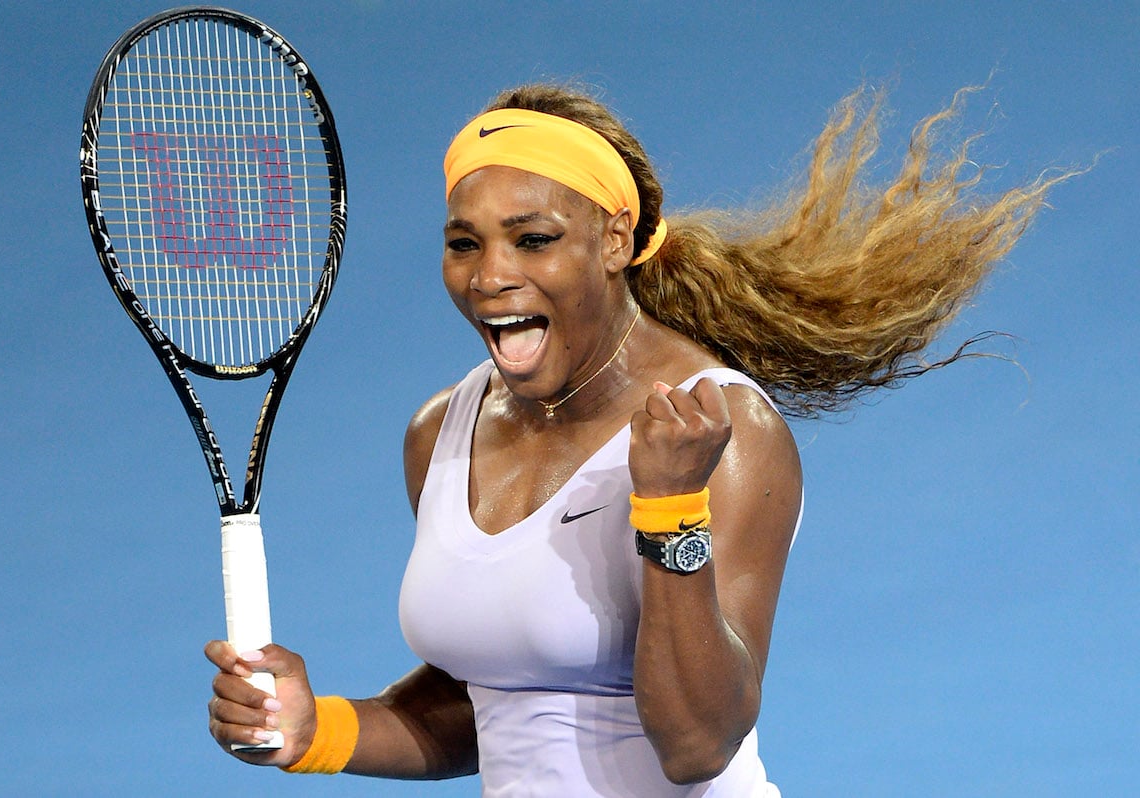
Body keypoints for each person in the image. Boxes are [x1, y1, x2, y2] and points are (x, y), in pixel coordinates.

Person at [205, 82, 1068, 796]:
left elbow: (698, 743)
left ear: (615, 241)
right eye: (464, 244)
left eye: (533, 239)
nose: (491, 275)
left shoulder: (727, 430)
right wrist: (321, 730)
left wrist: (669, 512)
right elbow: (487, 698)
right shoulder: (442, 434)